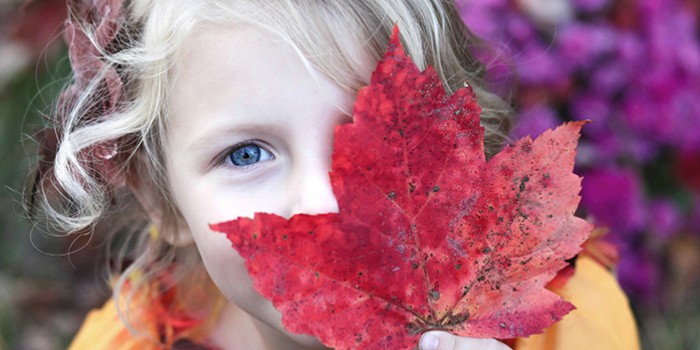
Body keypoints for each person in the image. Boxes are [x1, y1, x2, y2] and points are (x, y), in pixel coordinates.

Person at [28, 0, 639, 349]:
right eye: (245, 155)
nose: (325, 202)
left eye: (373, 136)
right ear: (161, 200)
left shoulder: (570, 325)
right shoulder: (126, 342)